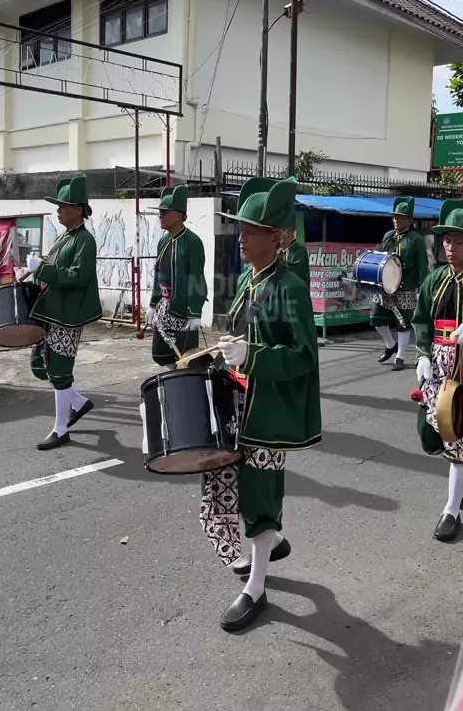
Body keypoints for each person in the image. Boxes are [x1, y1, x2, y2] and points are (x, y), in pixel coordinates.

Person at [200, 176, 322, 632]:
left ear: (276, 238)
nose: (241, 238)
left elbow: (304, 356)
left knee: (259, 493)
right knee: (226, 485)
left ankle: (256, 588)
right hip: (239, 404)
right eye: (241, 229)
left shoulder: (290, 287)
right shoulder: (247, 281)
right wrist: (219, 355)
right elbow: (240, 336)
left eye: (250, 231)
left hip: (270, 411)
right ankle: (269, 542)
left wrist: (253, 355)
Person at [25, 175, 102, 450]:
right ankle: (79, 403)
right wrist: (38, 267)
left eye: (63, 206)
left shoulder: (85, 240)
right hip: (54, 312)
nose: (58, 210)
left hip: (69, 315)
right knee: (42, 364)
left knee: (59, 370)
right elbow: (57, 269)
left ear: (78, 210)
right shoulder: (66, 237)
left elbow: (77, 276)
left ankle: (60, 429)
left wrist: (42, 269)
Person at [412, 200, 463, 543]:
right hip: (440, 367)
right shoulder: (435, 281)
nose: (451, 247)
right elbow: (421, 321)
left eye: (458, 241)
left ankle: (451, 508)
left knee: (459, 437)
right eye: (447, 240)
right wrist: (421, 353)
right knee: (445, 432)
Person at [147, 186, 207, 368]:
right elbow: (159, 275)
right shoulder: (163, 241)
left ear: (179, 215)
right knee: (161, 354)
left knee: (187, 358)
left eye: (165, 212)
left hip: (183, 311)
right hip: (165, 309)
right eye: (160, 212)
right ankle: (174, 376)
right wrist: (153, 304)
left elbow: (197, 277)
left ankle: (183, 382)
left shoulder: (192, 242)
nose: (161, 216)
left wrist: (194, 312)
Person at [371, 196, 428, 372]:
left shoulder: (416, 239)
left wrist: (422, 288)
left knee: (403, 323)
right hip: (386, 285)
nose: (396, 221)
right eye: (395, 218)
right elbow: (380, 256)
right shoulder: (389, 235)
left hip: (406, 287)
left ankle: (400, 356)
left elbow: (423, 265)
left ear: (410, 220)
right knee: (376, 318)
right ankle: (391, 345)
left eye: (401, 218)